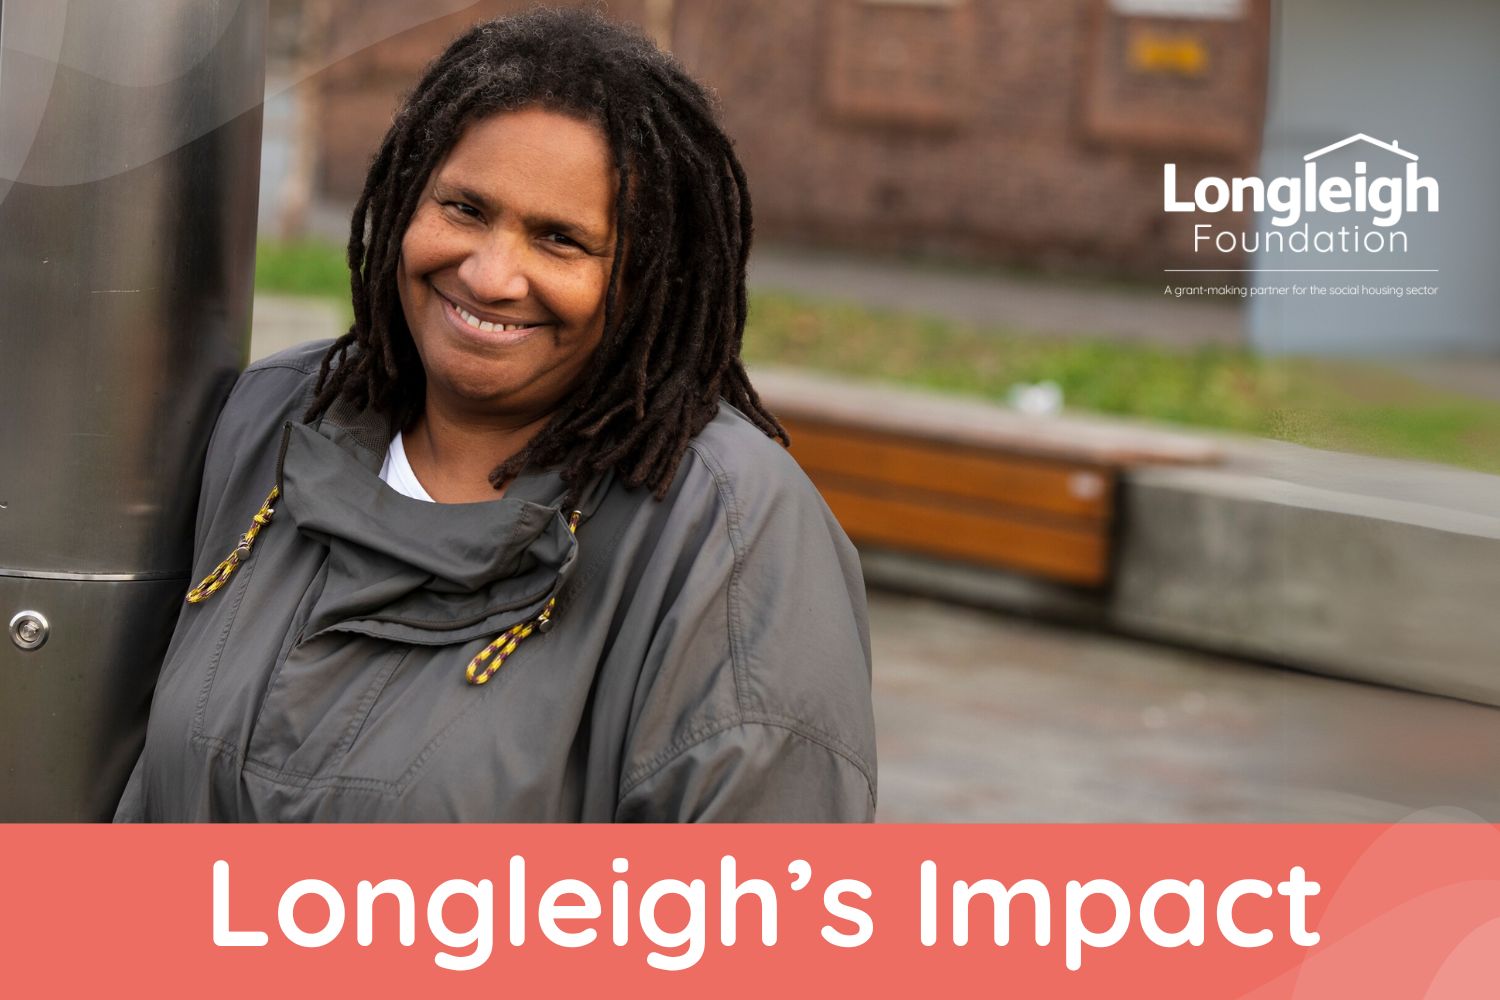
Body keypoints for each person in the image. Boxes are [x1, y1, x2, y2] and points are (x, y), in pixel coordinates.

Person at [114, 8, 875, 822]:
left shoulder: (728, 541)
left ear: (652, 279)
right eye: (466, 209)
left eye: (559, 240)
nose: (489, 275)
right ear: (406, 199)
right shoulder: (273, 420)